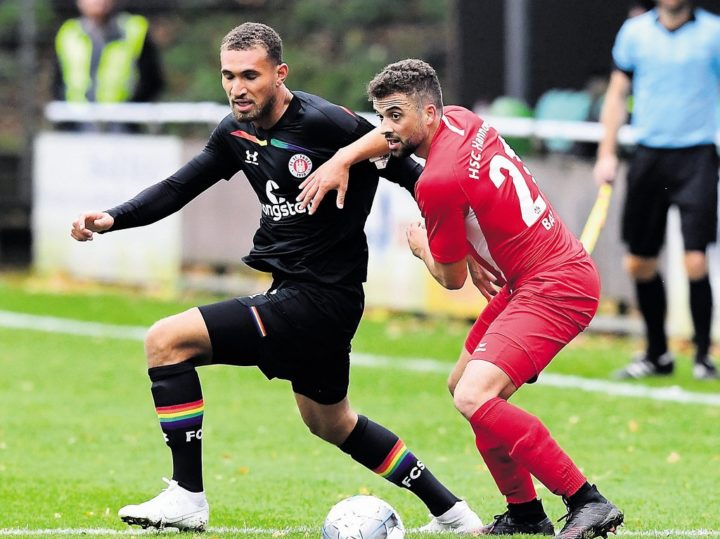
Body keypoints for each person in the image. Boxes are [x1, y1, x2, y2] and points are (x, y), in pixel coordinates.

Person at [70, 23, 482, 533]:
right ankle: (454, 513)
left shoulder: (325, 122)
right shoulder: (235, 131)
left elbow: (408, 165)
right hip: (301, 296)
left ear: (279, 73)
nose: (238, 88)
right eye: (228, 76)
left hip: (320, 298)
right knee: (332, 424)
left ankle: (187, 496)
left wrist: (457, 237)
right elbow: (179, 187)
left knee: (166, 341)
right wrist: (113, 218)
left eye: (250, 75)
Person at [297, 59, 624, 538]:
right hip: (534, 278)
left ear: (428, 114)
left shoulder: (437, 182)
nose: (386, 128)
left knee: (476, 395)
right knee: (461, 385)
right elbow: (396, 146)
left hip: (556, 287)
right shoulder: (463, 119)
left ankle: (585, 499)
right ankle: (525, 514)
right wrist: (344, 158)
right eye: (381, 116)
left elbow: (450, 281)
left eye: (395, 116)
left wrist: (422, 245)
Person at [593, 0, 720, 380]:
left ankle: (702, 358)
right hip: (649, 157)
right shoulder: (635, 33)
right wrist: (607, 153)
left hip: (697, 156)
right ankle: (657, 354)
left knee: (695, 260)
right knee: (639, 263)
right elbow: (616, 94)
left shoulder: (713, 33)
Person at [53, 0, 164, 131]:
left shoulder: (134, 29)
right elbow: (58, 83)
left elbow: (151, 80)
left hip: (123, 124)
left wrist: (131, 111)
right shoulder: (68, 33)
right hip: (77, 123)